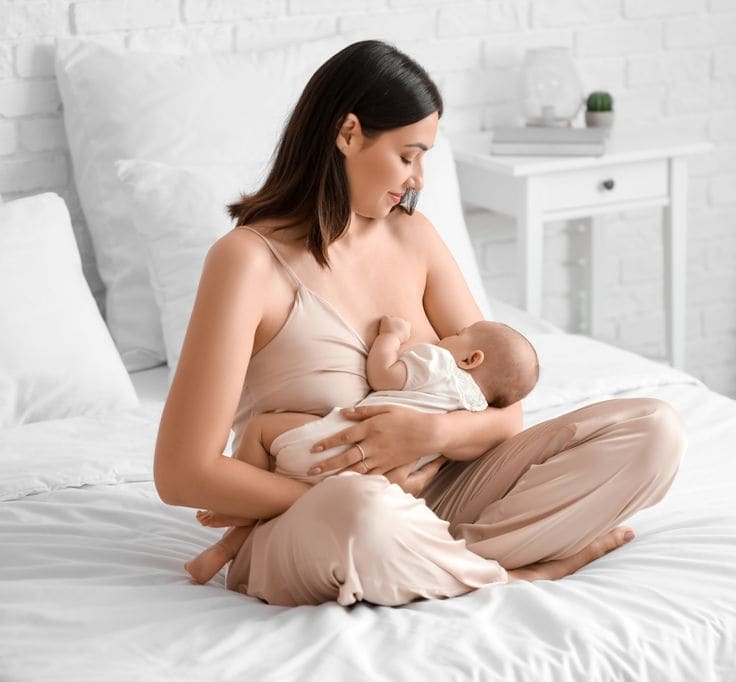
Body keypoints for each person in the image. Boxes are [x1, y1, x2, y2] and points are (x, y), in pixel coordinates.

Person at [153, 39, 685, 608]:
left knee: (654, 431)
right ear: (349, 133)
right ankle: (518, 573)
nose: (419, 178)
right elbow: (182, 472)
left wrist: (430, 435)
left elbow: (507, 410)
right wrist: (322, 494)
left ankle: (433, 562)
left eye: (425, 158)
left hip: (440, 490)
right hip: (319, 515)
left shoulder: (416, 239)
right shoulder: (247, 262)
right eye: (408, 156)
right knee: (364, 513)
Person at [184, 314, 540, 585]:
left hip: (330, 439)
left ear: (471, 359)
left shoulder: (439, 365)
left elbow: (384, 375)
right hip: (371, 479)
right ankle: (223, 550)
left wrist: (391, 337)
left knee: (261, 429)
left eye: (457, 337)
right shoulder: (477, 411)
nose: (447, 337)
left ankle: (241, 508)